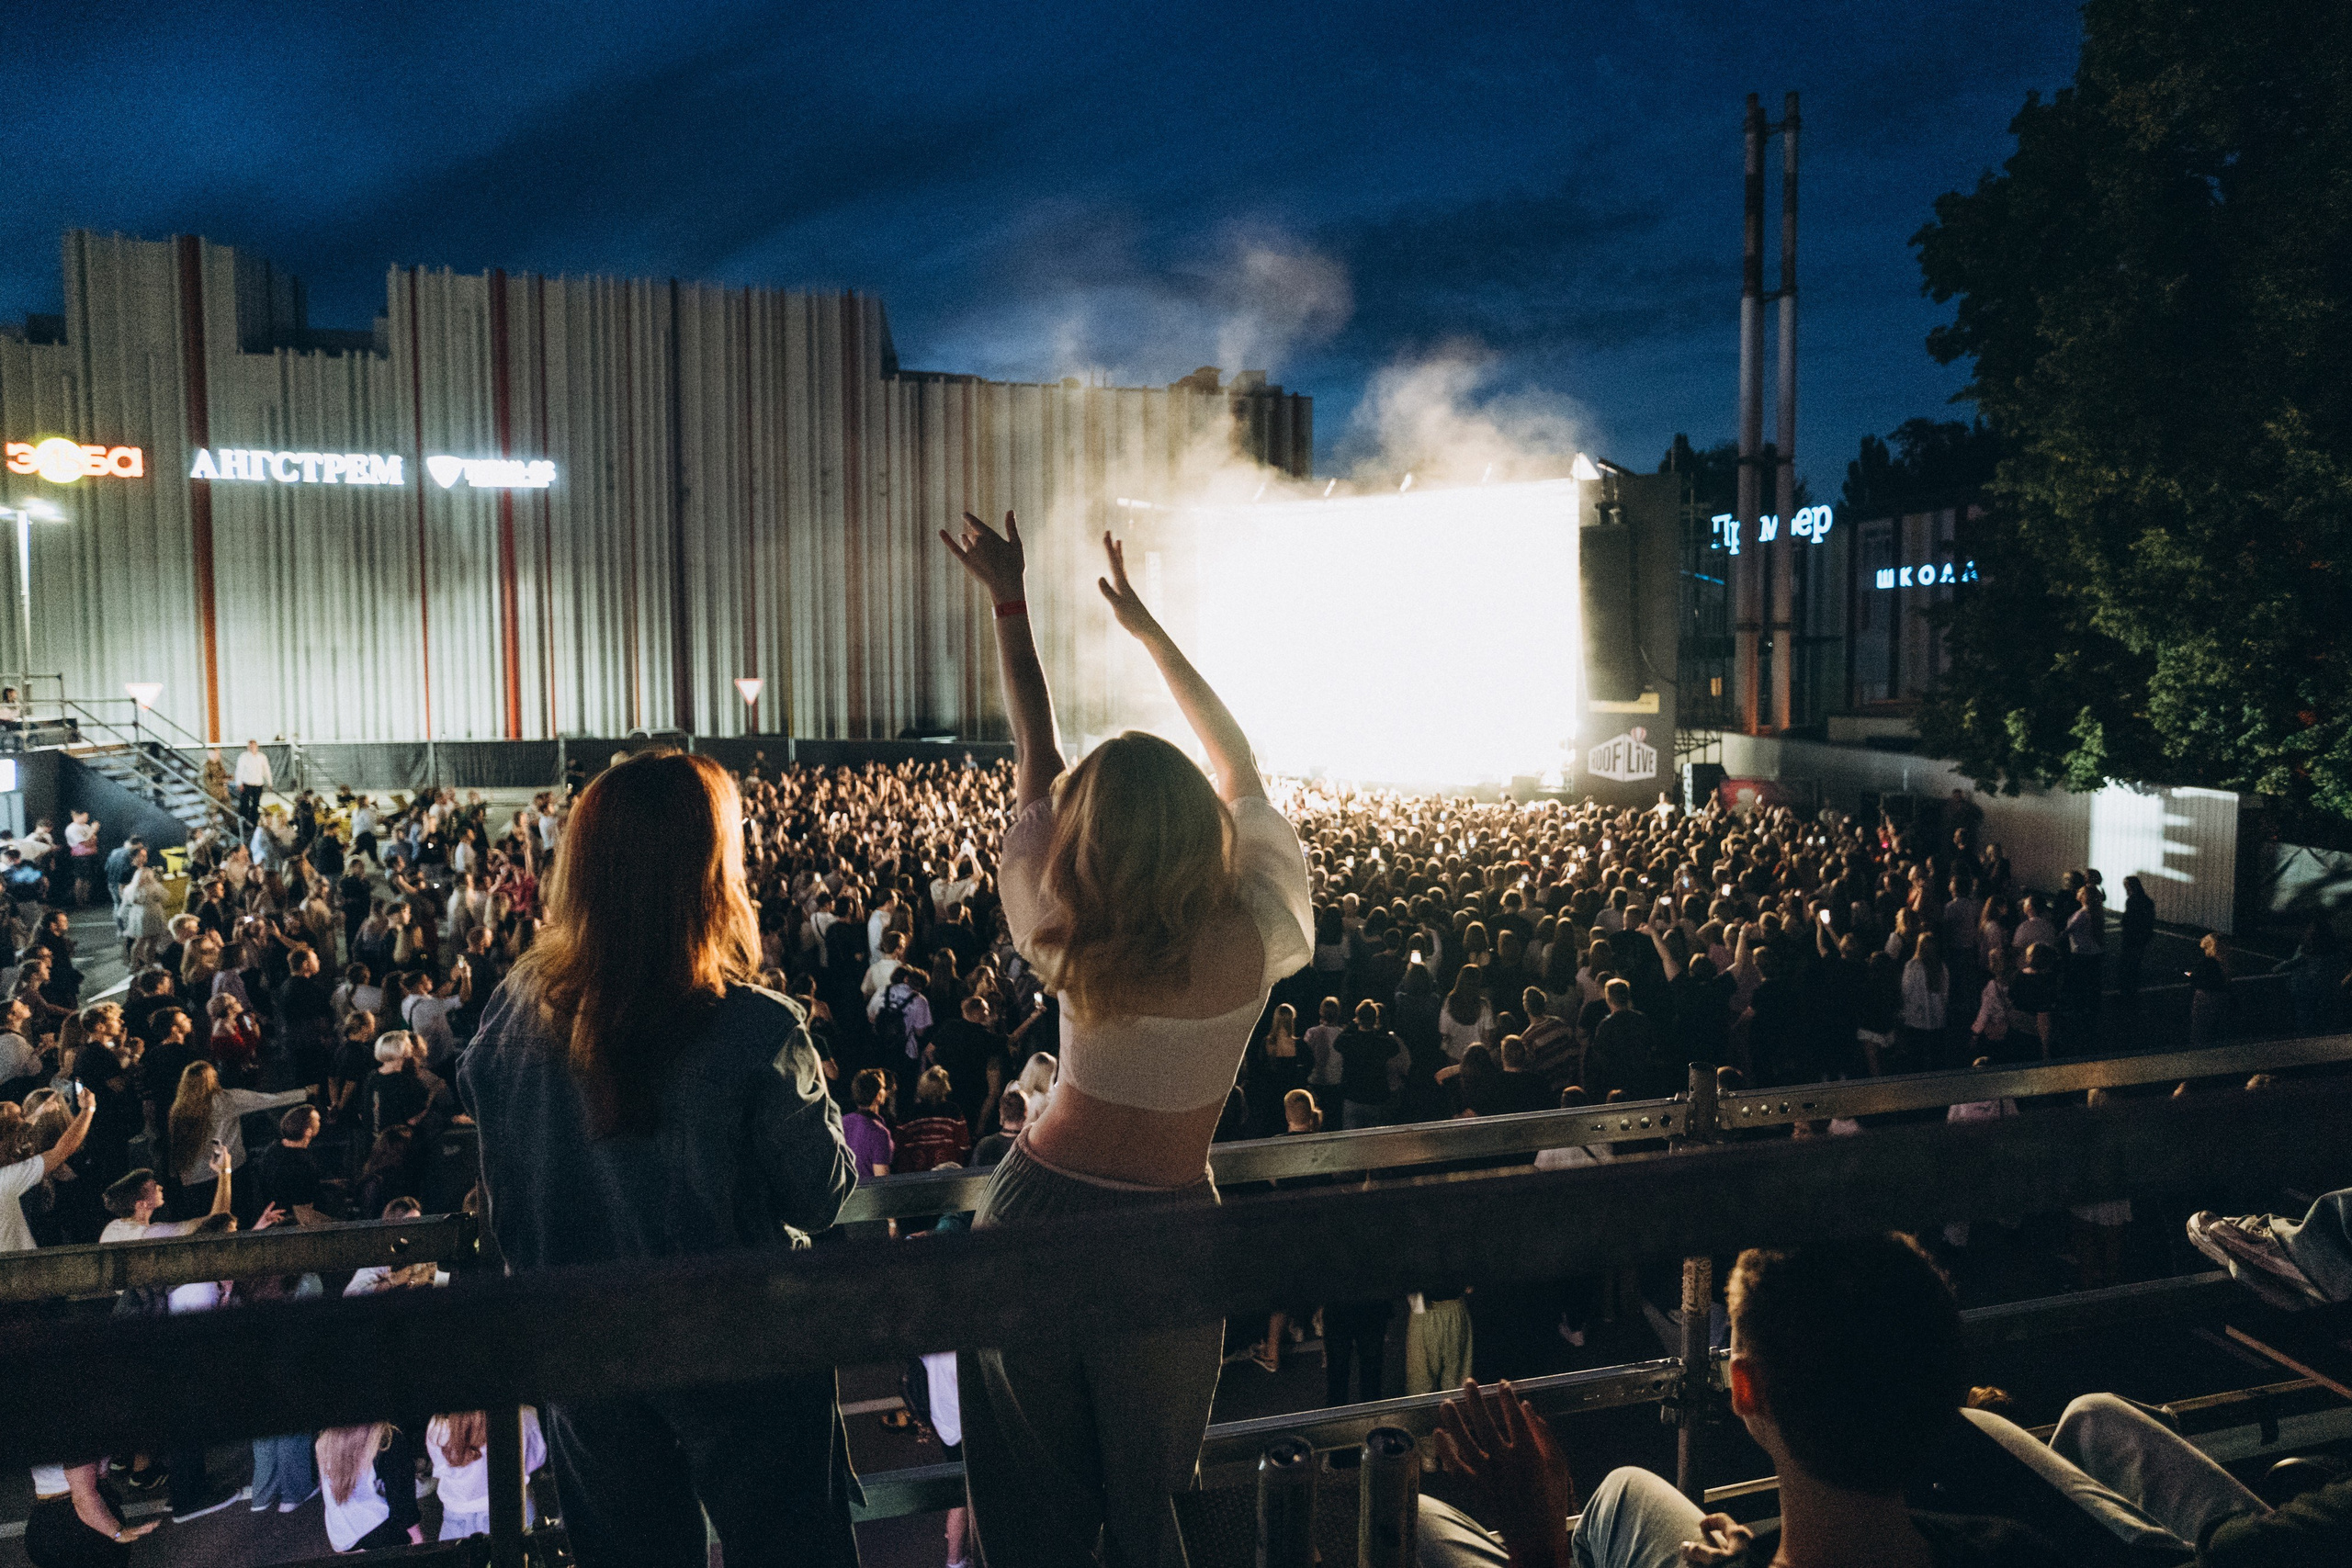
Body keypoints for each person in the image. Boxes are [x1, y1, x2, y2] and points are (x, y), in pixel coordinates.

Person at [939, 513, 1312, 1568]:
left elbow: (1036, 762)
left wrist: (1009, 602)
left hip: (1032, 1209)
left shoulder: (1064, 928)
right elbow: (1240, 765)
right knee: (1157, 1510)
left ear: (1086, 837)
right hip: (1169, 1227)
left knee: (1027, 1513)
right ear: (1204, 826)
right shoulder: (1258, 930)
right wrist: (1147, 630)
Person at [459, 750, 859, 1568]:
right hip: (746, 1349)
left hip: (584, 1351)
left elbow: (509, 1192)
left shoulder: (512, 1015)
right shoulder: (755, 1029)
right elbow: (821, 1196)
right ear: (709, 877)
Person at [1416, 1235, 2062, 1567]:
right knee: (1623, 1491)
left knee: (1420, 1518)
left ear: (1745, 1390)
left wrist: (1536, 1544)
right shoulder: (2019, 1549)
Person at [167, 1061, 311, 1220]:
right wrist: (305, 1093)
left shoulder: (178, 1109)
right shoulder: (226, 1100)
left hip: (194, 1179)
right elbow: (267, 1100)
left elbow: (175, 1145)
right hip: (230, 1173)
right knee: (238, 1220)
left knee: (204, 1225)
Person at [427, 1410, 547, 1541]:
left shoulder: (437, 1426)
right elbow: (536, 1459)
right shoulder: (521, 1415)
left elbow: (440, 1466)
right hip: (511, 1508)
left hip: (457, 1515)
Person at [2, 1087, 96, 1252]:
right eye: (20, 1116)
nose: (25, 1121)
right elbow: (61, 1151)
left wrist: (37, 1114)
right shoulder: (8, 1178)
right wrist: (88, 1109)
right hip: (24, 1262)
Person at [315, 1424, 424, 1551]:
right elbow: (402, 1501)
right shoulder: (387, 1439)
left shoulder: (324, 1437)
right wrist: (418, 1539)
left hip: (341, 1534)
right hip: (378, 1530)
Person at [969, 1087, 1025, 1167]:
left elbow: (973, 1171)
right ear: (1024, 1113)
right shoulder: (1027, 1147)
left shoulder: (984, 1146)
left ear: (1001, 1112)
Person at [234, 739, 273, 829]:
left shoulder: (262, 757)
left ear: (257, 747)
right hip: (247, 784)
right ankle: (244, 825)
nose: (252, 748)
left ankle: (254, 824)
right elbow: (239, 770)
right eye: (250, 746)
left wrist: (270, 782)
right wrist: (239, 783)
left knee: (256, 804)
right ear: (248, 747)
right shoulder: (243, 757)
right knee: (244, 805)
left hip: (258, 784)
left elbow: (266, 770)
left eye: (254, 746)